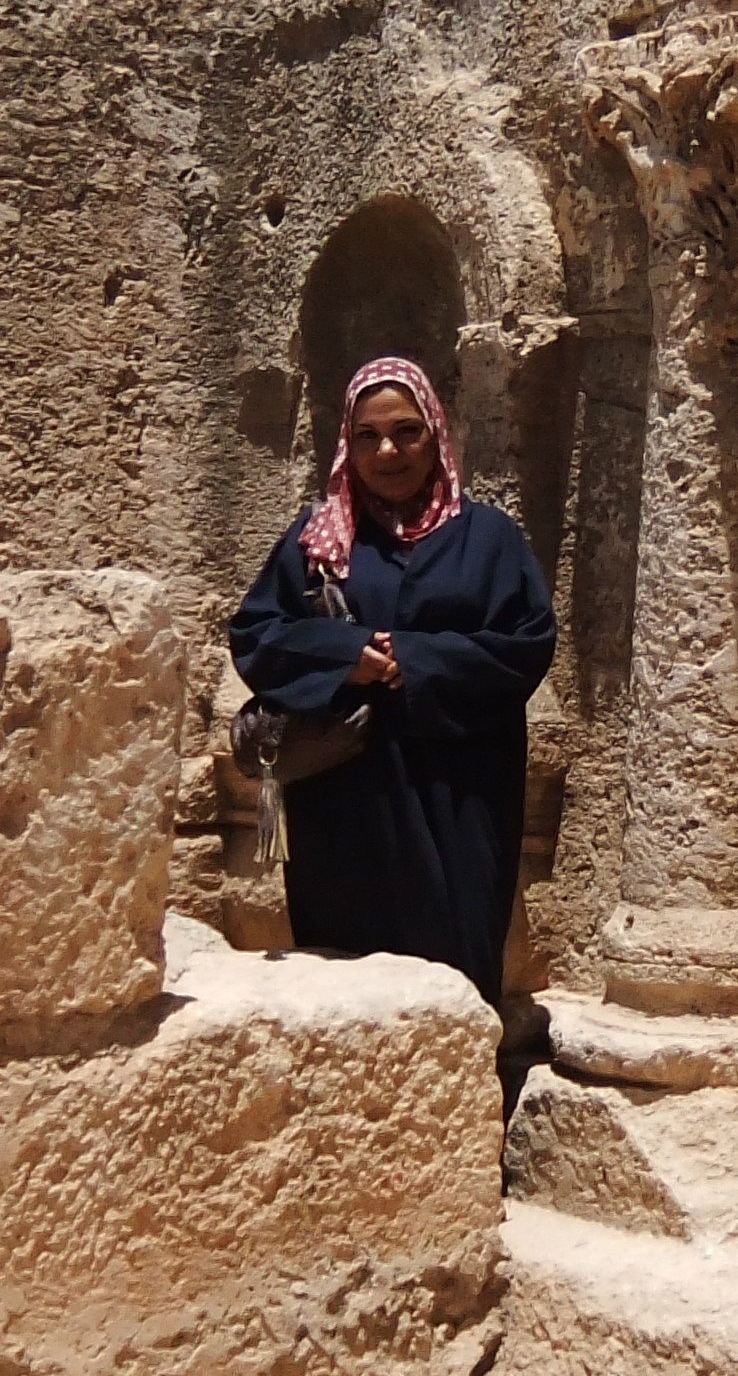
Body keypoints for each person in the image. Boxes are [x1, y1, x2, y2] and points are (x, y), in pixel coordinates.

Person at [227, 356, 556, 1007]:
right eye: (367, 436)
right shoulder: (318, 539)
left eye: (407, 431)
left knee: (455, 968)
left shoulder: (488, 538)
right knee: (346, 977)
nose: (388, 451)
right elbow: (257, 635)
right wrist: (345, 653)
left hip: (457, 794)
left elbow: (525, 641)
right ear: (346, 444)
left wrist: (416, 660)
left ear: (437, 433)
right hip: (344, 802)